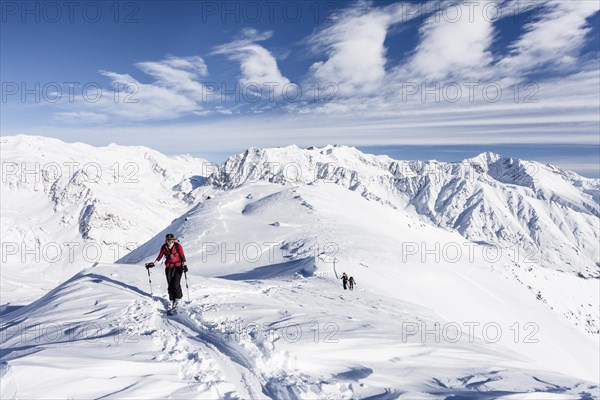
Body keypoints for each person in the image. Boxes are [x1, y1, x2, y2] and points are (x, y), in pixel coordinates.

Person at [146, 233, 187, 311]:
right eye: (169, 241)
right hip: (169, 267)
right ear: (166, 241)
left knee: (176, 284)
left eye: (172, 241)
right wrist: (153, 264)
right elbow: (159, 257)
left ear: (174, 241)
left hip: (178, 267)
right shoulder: (164, 247)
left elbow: (182, 256)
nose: (170, 243)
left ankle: (178, 299)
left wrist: (184, 265)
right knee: (170, 285)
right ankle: (171, 300)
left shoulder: (178, 246)